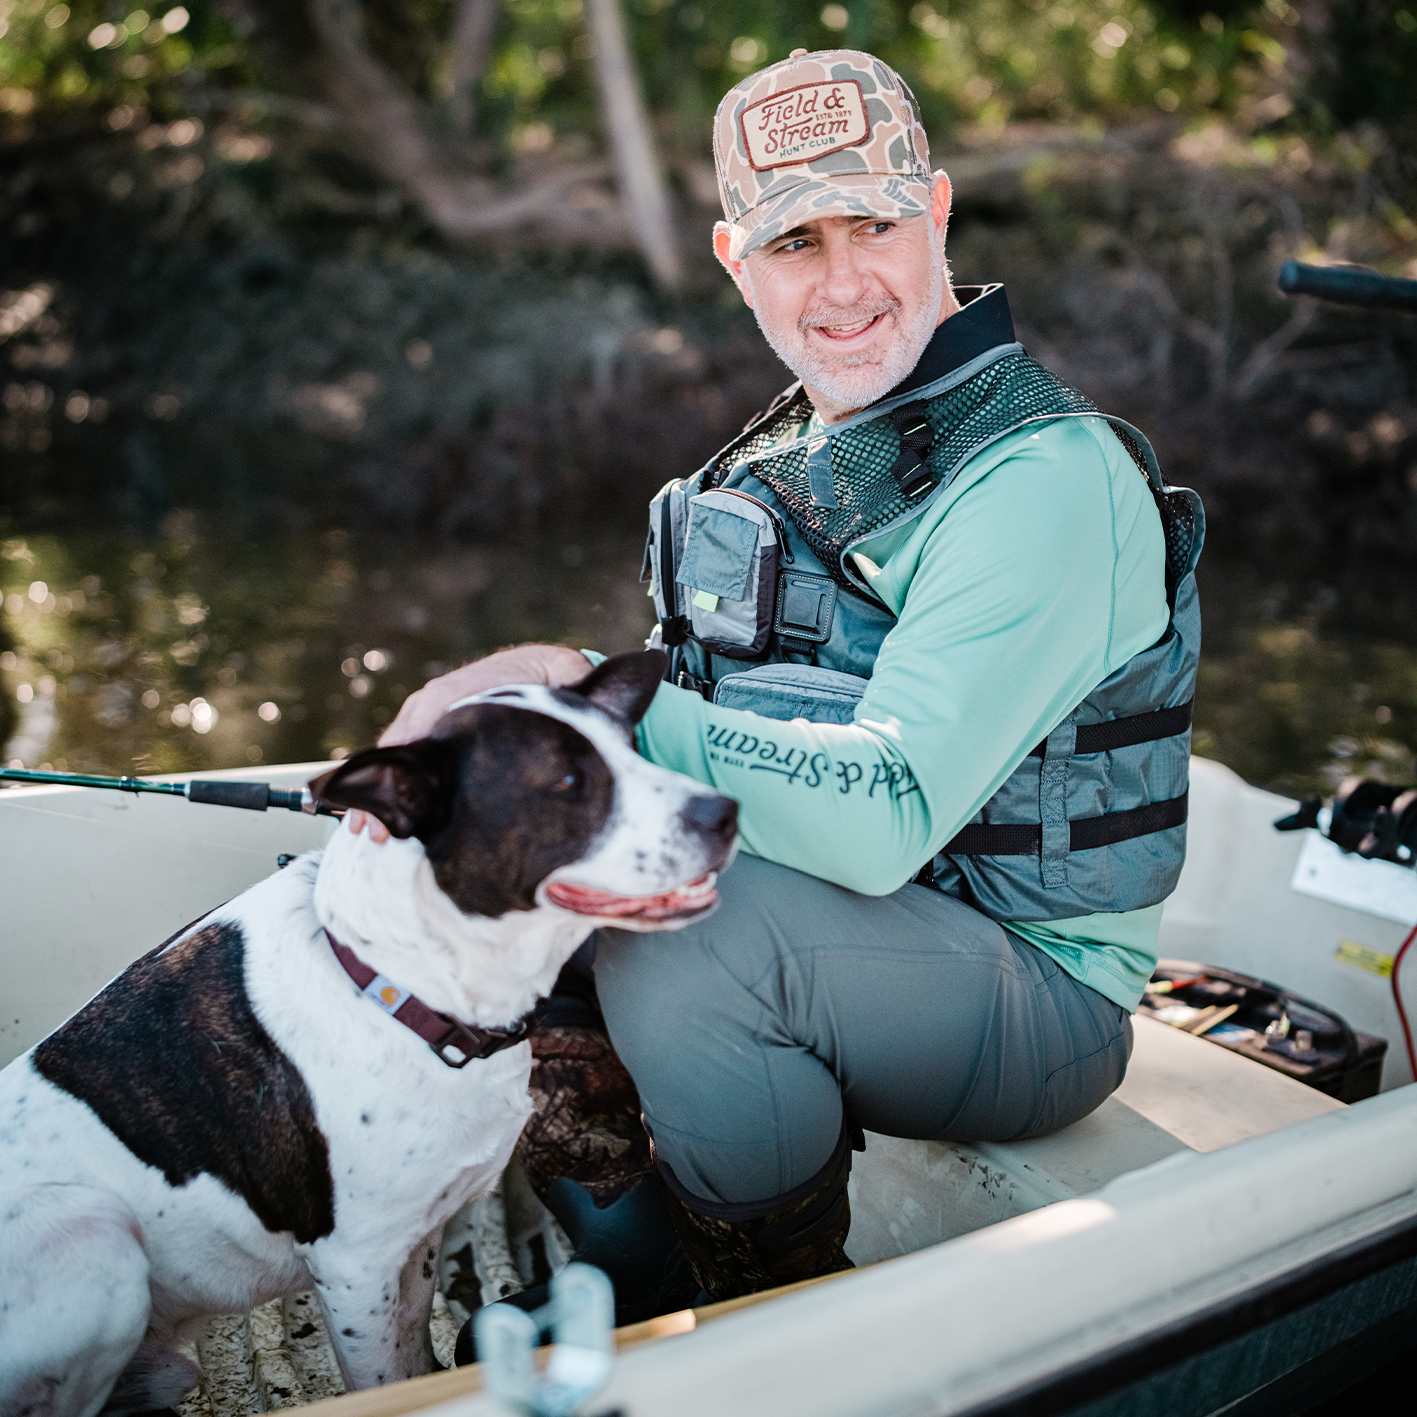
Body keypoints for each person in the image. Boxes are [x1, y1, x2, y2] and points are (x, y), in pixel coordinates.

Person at [352, 47, 1203, 1332]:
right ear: (735, 261)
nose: (843, 281)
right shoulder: (798, 450)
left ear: (939, 213)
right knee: (504, 855)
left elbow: (882, 815)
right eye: (795, 241)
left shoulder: (1043, 479)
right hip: (858, 927)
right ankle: (622, 1267)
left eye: (875, 225)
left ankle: (770, 1314)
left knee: (696, 932)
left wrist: (577, 690)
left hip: (1035, 989)